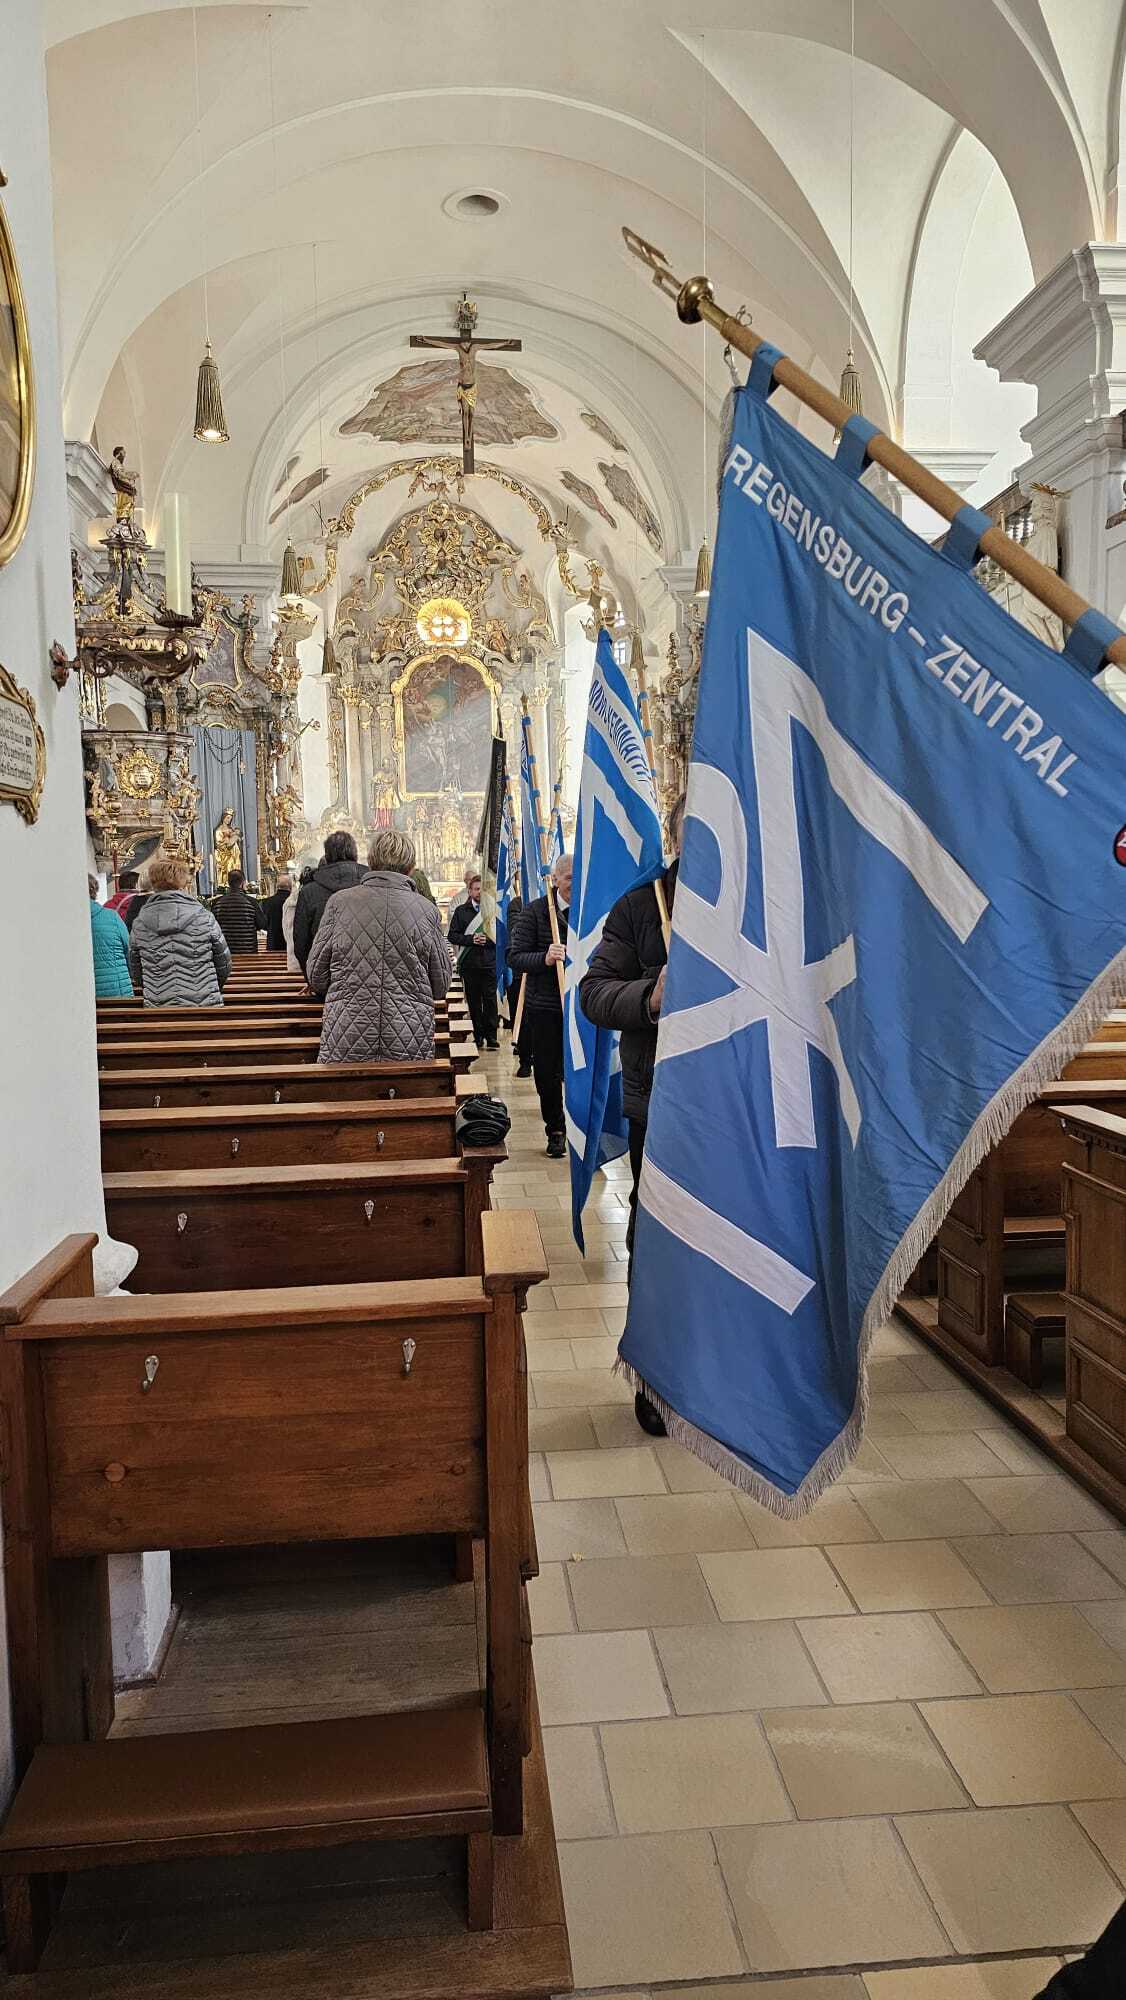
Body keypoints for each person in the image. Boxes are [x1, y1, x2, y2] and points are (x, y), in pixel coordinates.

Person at [580, 795, 683, 1438]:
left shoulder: (760, 897)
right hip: (662, 1100)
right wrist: (650, 996)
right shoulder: (643, 906)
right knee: (657, 1236)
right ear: (676, 834)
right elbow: (594, 991)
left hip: (740, 1105)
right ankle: (653, 1372)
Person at [307, 828, 450, 1063]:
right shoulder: (427, 911)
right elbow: (440, 984)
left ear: (371, 862)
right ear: (410, 867)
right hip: (408, 1037)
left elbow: (316, 975)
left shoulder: (339, 904)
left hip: (347, 1036)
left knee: (345, 1098)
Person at [508, 852, 571, 1157]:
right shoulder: (534, 912)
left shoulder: (590, 909)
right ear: (555, 879)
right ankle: (556, 1129)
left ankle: (582, 1128)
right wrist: (545, 958)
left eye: (577, 877)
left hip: (582, 1005)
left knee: (576, 1071)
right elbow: (515, 956)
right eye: (568, 877)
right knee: (547, 1072)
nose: (573, 884)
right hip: (545, 1006)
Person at [127, 850, 231, 1006]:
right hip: (204, 1006)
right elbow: (223, 962)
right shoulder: (204, 917)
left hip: (159, 1006)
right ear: (182, 881)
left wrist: (154, 989)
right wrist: (213, 988)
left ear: (154, 882)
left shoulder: (140, 923)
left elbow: (136, 969)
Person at [292, 831, 367, 970]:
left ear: (327, 855)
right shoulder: (371, 884)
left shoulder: (309, 892)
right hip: (367, 978)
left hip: (325, 979)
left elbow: (301, 942)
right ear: (355, 853)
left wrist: (314, 978)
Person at [448, 871, 499, 1049]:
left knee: (491, 1001)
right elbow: (452, 936)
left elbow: (501, 937)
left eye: (482, 890)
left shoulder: (492, 912)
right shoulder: (461, 911)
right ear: (469, 891)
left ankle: (492, 1036)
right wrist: (471, 939)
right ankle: (478, 1036)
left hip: (489, 963)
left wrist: (488, 940)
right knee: (474, 1003)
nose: (479, 893)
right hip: (470, 965)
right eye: (476, 889)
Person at [88, 875, 132, 997]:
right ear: (94, 891)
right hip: (117, 993)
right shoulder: (111, 917)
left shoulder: (67, 922)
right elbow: (128, 949)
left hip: (83, 995)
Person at [212, 869, 262, 956]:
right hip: (248, 951)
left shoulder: (217, 902)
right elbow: (262, 924)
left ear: (228, 883)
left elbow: (212, 926)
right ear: (243, 883)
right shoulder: (252, 902)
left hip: (225, 951)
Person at [283, 865, 311, 973]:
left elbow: (285, 930)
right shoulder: (314, 898)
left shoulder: (289, 902)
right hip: (313, 961)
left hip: (294, 958)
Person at [261, 873, 291, 952]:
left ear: (277, 886)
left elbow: (263, 924)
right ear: (290, 886)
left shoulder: (267, 902)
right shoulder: (296, 901)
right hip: (290, 943)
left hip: (273, 943)